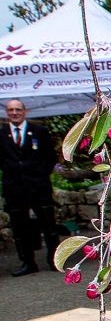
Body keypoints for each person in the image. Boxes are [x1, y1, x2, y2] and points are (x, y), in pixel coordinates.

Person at [0, 99, 60, 276]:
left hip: (39, 187)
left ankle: (54, 260)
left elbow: (50, 157)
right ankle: (28, 262)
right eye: (11, 110)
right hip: (14, 189)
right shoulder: (1, 134)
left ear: (25, 111)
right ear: (6, 113)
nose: (14, 113)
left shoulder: (39, 132)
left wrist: (40, 175)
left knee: (49, 226)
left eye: (18, 109)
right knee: (19, 229)